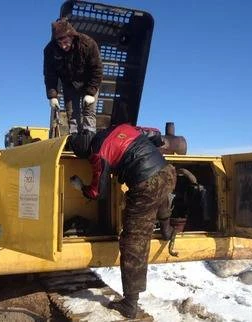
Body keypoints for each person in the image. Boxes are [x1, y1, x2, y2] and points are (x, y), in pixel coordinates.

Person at [70, 124, 176, 319]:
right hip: (168, 172)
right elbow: (155, 134)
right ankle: (167, 228)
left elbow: (97, 192)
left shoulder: (97, 153)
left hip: (146, 185)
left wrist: (80, 187)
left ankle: (130, 303)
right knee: (160, 194)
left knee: (133, 242)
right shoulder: (120, 127)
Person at [43, 17, 103, 134]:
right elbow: (50, 75)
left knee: (88, 112)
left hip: (88, 82)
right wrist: (52, 96)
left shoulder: (87, 44)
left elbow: (97, 69)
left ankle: (89, 137)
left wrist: (91, 92)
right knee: (72, 115)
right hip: (69, 84)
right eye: (59, 43)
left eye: (65, 42)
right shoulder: (50, 51)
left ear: (71, 36)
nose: (63, 46)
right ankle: (75, 139)